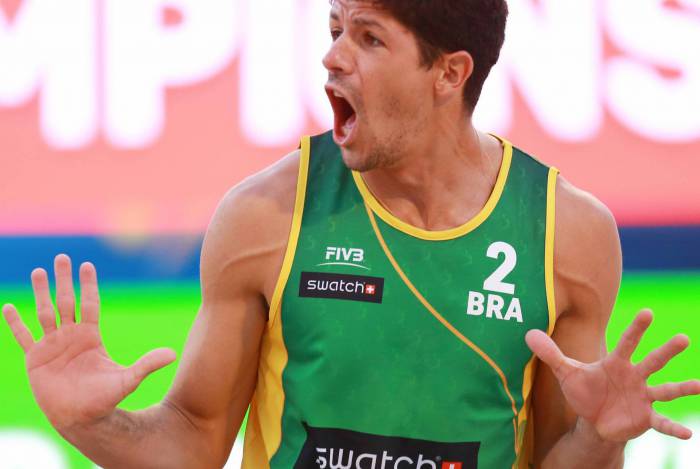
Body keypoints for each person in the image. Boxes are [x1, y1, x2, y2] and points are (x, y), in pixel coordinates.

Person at [3, 0, 699, 468]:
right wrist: (86, 422)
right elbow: (193, 439)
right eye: (334, 27)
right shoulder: (264, 216)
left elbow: (556, 459)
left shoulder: (567, 234)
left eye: (368, 38)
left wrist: (599, 439)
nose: (333, 57)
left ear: (449, 73)